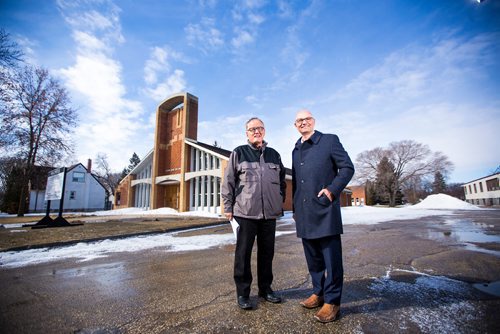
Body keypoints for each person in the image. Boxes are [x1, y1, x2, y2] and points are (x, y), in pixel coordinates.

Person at [292, 109, 354, 323]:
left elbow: (347, 168)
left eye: (307, 119)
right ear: (295, 125)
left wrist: (332, 190)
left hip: (325, 209)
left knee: (331, 258)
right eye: (299, 120)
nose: (303, 122)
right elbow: (297, 185)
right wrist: (294, 208)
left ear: (313, 121)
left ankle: (332, 301)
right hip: (304, 212)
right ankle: (318, 293)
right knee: (313, 258)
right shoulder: (296, 148)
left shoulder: (329, 140)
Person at [222, 117, 286, 310]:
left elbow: (282, 181)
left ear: (264, 131)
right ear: (247, 133)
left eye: (259, 128)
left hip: (269, 215)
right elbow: (228, 182)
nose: (256, 131)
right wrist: (227, 207)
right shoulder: (238, 153)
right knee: (243, 255)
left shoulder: (274, 155)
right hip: (245, 213)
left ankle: (265, 289)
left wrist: (278, 199)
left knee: (267, 254)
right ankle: (243, 293)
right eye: (252, 129)